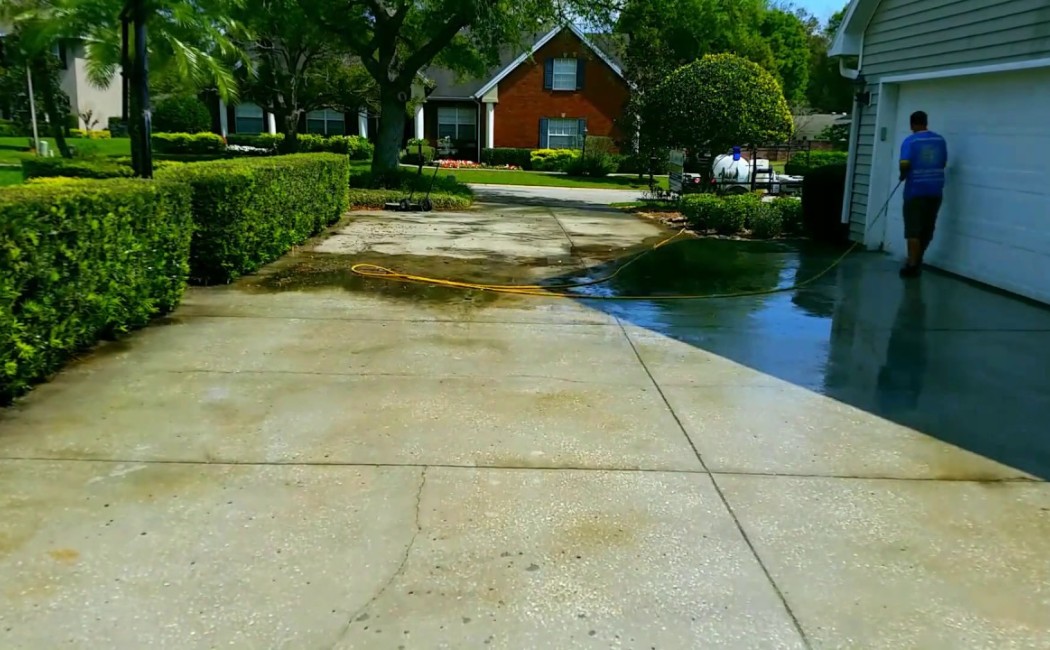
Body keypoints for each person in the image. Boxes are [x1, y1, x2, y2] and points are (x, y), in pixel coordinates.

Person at [898, 110, 948, 278]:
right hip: (935, 190)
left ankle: (912, 265)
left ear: (912, 124)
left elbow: (905, 163)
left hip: (915, 191)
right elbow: (943, 162)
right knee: (927, 228)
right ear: (926, 122)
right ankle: (918, 259)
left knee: (913, 229)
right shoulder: (940, 140)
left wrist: (903, 175)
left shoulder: (910, 141)